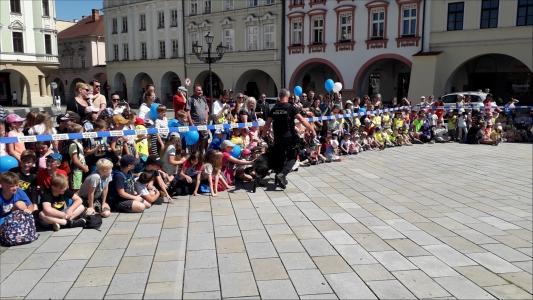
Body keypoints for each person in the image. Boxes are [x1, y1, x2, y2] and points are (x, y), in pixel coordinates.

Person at [262, 89, 316, 189]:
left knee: (280, 158)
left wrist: (264, 134)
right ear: (287, 96)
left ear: (279, 96)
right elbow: (301, 120)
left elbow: (267, 123)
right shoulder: (291, 108)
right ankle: (282, 174)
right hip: (289, 137)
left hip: (278, 138)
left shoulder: (274, 108)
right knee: (292, 157)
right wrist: (311, 128)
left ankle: (278, 180)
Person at [186, 84, 209, 151]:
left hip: (203, 124)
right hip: (195, 125)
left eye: (201, 90)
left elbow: (206, 110)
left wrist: (206, 121)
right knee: (195, 142)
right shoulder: (190, 99)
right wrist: (191, 124)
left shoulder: (203, 99)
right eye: (198, 90)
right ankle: (195, 154)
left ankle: (201, 154)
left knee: (205, 140)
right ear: (194, 91)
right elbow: (188, 112)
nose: (200, 91)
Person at [67, 124, 88, 192]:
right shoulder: (73, 144)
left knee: (80, 187)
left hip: (80, 169)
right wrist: (84, 168)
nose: (83, 133)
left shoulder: (78, 143)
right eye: (82, 132)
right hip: (76, 171)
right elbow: (75, 160)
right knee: (76, 190)